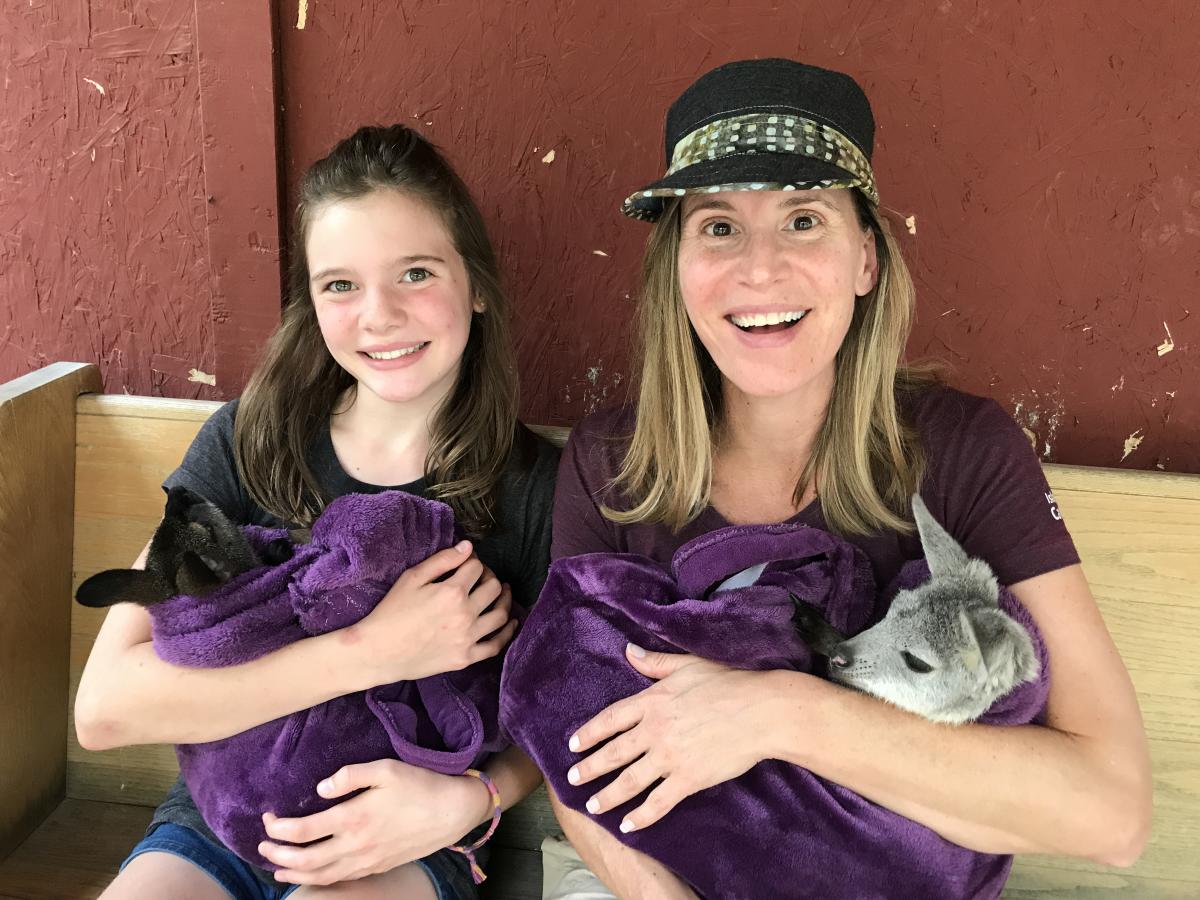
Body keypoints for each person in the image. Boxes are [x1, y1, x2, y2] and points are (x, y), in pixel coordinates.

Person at [547, 58, 1151, 899]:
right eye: (718, 226)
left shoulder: (963, 450)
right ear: (674, 269)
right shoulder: (610, 460)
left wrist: (785, 714)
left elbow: (1112, 813)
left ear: (865, 259)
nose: (760, 270)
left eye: (804, 219)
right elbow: (567, 739)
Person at [75, 124, 558, 900]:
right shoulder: (247, 441)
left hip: (409, 837)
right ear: (312, 301)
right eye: (341, 284)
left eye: (415, 273)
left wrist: (472, 800)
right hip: (218, 819)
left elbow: (558, 699)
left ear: (476, 285)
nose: (380, 315)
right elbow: (104, 710)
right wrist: (375, 651)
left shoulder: (536, 485)